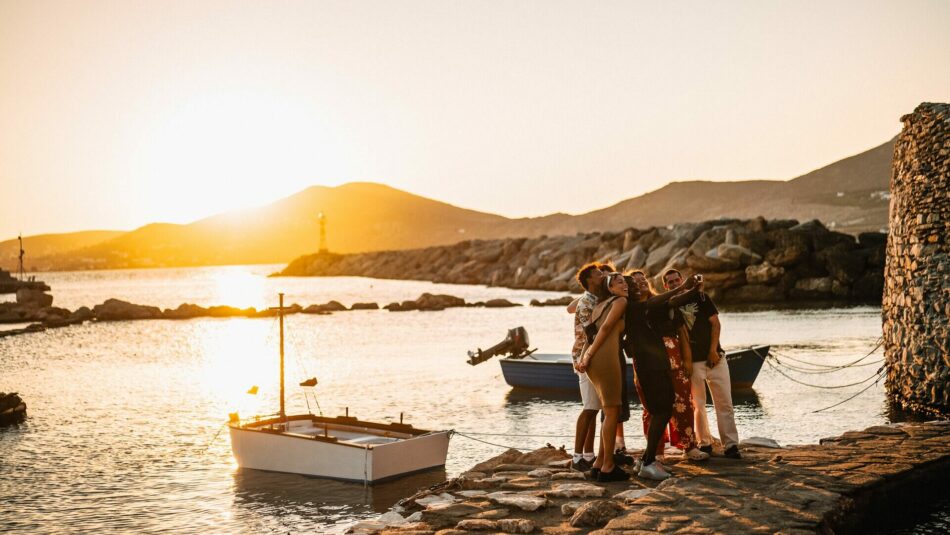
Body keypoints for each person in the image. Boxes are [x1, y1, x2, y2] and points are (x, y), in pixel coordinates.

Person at [623, 272, 704, 480]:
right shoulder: (633, 306)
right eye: (634, 284)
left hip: (656, 364)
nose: (640, 285)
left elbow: (671, 301)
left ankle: (646, 460)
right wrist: (683, 286)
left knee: (665, 409)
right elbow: (664, 299)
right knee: (659, 411)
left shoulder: (647, 305)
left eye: (642, 281)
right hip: (649, 365)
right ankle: (650, 460)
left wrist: (694, 289)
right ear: (628, 290)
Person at [662, 268, 741, 459]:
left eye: (676, 280)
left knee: (725, 404)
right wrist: (686, 362)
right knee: (698, 405)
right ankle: (704, 443)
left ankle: (730, 445)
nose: (674, 284)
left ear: (682, 280)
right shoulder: (670, 305)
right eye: (670, 282)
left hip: (715, 359)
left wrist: (713, 351)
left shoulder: (701, 298)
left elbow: (715, 323)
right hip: (693, 363)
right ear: (665, 286)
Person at [576, 273, 629, 482]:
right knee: (612, 411)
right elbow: (605, 329)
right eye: (619, 282)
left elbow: (589, 333)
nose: (624, 284)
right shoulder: (620, 301)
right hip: (605, 359)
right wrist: (587, 356)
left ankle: (599, 462)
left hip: (594, 360)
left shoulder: (599, 304)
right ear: (610, 288)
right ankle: (608, 466)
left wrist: (584, 357)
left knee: (609, 412)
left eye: (625, 281)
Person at [567, 263, 607, 471]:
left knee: (593, 408)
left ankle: (589, 454)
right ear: (590, 280)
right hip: (585, 359)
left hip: (591, 358)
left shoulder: (595, 299)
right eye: (599, 274)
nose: (602, 276)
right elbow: (592, 332)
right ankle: (576, 458)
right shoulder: (586, 303)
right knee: (589, 408)